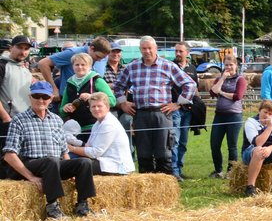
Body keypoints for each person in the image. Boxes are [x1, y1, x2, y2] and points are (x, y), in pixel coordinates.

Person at [2, 81, 97, 220]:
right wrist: (32, 178)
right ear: (30, 97)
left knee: (84, 162)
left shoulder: (56, 120)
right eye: (37, 96)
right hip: (32, 163)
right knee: (51, 161)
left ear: (51, 99)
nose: (41, 100)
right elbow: (9, 155)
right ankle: (52, 207)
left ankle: (83, 205)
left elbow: (64, 149)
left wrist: (70, 168)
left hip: (54, 164)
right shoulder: (19, 120)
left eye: (45, 97)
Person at [112, 36, 195, 176]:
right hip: (140, 114)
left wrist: (178, 104)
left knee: (163, 152)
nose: (147, 51)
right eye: (144, 48)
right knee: (144, 153)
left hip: (162, 113)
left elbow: (190, 84)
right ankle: (146, 188)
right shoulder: (132, 67)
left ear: (155, 49)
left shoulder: (168, 66)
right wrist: (123, 103)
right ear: (140, 50)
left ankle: (166, 186)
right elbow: (118, 85)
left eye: (150, 48)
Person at [65, 91, 134, 175]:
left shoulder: (109, 124)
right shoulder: (97, 124)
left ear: (107, 107)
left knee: (76, 165)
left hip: (116, 166)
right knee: (69, 160)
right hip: (104, 161)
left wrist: (72, 148)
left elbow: (95, 152)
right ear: (89, 108)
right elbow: (88, 145)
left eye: (99, 106)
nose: (96, 109)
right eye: (93, 106)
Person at [59, 51, 116, 143]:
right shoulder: (69, 84)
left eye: (83, 64)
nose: (80, 67)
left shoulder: (97, 80)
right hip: (75, 130)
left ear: (90, 66)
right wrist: (65, 108)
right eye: (77, 64)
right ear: (72, 66)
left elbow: (112, 101)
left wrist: (92, 97)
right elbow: (62, 111)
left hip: (95, 127)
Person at [0, 34, 36, 169]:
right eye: (20, 47)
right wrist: (5, 118)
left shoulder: (25, 68)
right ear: (11, 48)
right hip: (7, 120)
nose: (23, 52)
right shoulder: (2, 65)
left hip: (24, 119)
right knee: (6, 159)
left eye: (26, 49)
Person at [208, 58, 247, 178]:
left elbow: (237, 96)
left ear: (236, 66)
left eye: (231, 65)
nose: (228, 67)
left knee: (232, 145)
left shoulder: (240, 80)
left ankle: (231, 171)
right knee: (214, 144)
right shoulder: (219, 79)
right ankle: (218, 170)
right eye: (226, 65)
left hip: (234, 116)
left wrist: (222, 93)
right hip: (219, 115)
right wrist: (223, 78)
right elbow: (213, 92)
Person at [37, 36, 111, 92]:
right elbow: (43, 63)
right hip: (69, 99)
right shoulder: (73, 53)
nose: (99, 60)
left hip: (93, 100)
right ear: (91, 48)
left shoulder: (103, 57)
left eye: (103, 58)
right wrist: (53, 88)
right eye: (97, 56)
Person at [169, 41, 194, 178]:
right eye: (176, 51)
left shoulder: (192, 68)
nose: (178, 54)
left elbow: (193, 88)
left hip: (188, 110)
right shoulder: (170, 66)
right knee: (175, 140)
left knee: (183, 141)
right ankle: (174, 171)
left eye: (181, 51)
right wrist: (176, 104)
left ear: (187, 53)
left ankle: (180, 168)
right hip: (174, 109)